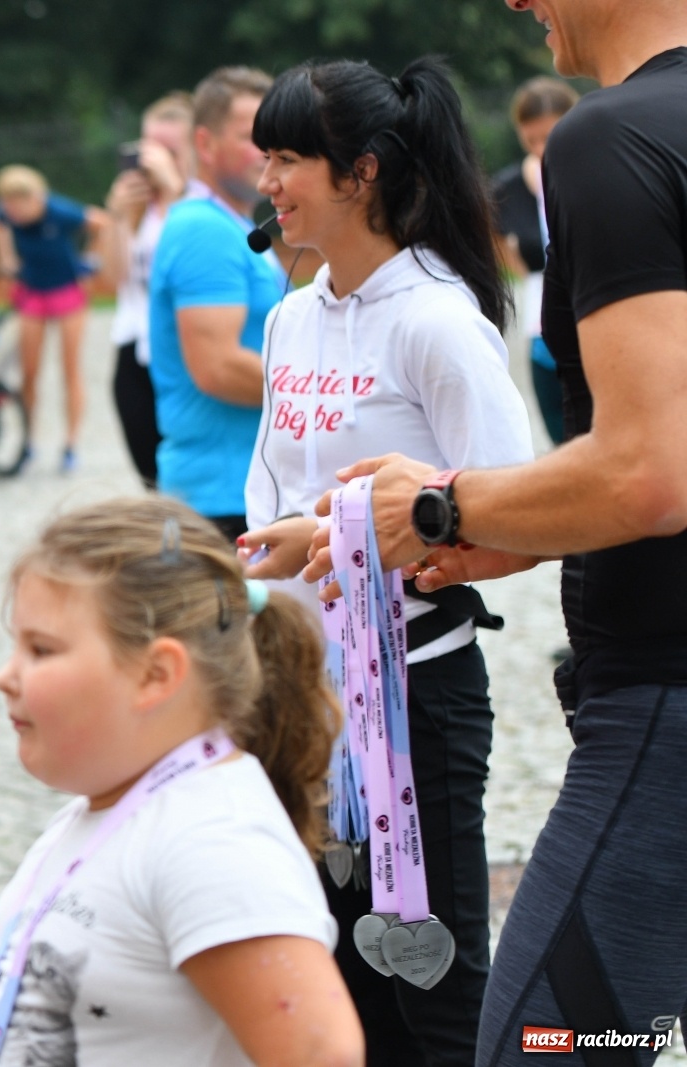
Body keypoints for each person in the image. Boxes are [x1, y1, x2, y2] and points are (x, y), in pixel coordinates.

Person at [302, 1, 687, 1061]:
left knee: (542, 1044)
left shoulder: (611, 137)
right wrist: (530, 521)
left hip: (665, 700)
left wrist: (437, 505)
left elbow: (653, 470)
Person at [238, 57, 535, 1067]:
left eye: (287, 158)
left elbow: (519, 523)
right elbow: (275, 499)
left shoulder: (436, 320)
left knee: (435, 995)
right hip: (303, 702)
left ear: (361, 170)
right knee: (339, 989)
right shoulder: (290, 317)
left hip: (416, 697)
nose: (267, 183)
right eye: (265, 159)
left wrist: (350, 542)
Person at [0, 496, 361, 1067]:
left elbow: (321, 1053)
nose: (6, 675)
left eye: (41, 649)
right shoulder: (107, 806)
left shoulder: (215, 840)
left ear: (156, 674)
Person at [147, 67, 282, 543]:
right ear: (204, 143)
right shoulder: (203, 229)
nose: (268, 151)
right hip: (222, 497)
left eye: (275, 137)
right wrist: (330, 390)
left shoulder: (228, 225)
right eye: (251, 137)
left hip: (235, 490)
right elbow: (218, 368)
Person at [0, 164, 116, 473]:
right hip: (32, 292)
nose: (14, 213)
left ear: (36, 198)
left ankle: (70, 444)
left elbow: (102, 222)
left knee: (70, 369)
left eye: (20, 206)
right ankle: (29, 441)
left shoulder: (59, 212)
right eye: (9, 206)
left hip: (67, 292)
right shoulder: (4, 213)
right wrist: (5, 257)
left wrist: (90, 263)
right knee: (29, 372)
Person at [103, 94, 193, 488]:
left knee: (183, 474)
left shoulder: (196, 205)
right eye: (149, 149)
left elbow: (181, 267)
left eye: (169, 151)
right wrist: (117, 216)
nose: (154, 161)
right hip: (133, 350)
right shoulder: (139, 205)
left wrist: (173, 192)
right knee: (151, 479)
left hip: (180, 350)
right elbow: (113, 277)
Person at [491, 77, 578, 445]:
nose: (543, 149)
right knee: (559, 435)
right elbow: (493, 234)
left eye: (550, 137)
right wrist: (524, 274)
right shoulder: (508, 188)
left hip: (588, 314)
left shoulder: (594, 175)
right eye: (532, 140)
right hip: (541, 326)